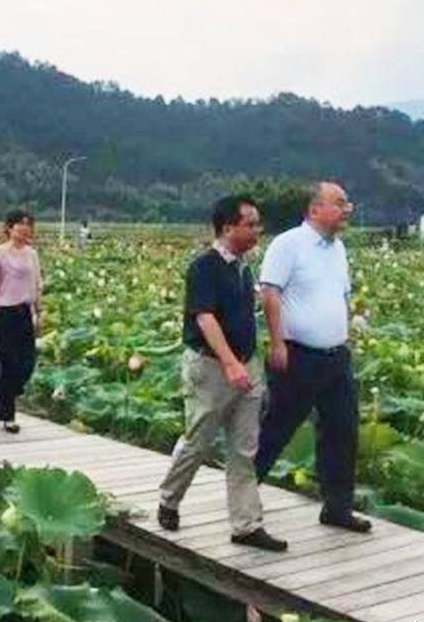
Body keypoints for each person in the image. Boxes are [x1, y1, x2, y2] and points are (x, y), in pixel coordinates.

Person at [156, 196, 286, 551]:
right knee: (199, 440)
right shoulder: (205, 267)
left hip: (248, 365)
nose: (257, 230)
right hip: (211, 367)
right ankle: (169, 497)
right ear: (228, 228)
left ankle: (246, 525)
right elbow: (205, 318)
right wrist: (230, 363)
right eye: (251, 224)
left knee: (244, 449)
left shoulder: (244, 268)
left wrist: (251, 362)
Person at [255, 181, 371, 533]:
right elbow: (270, 293)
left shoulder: (338, 249)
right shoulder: (288, 244)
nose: (346, 210)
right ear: (315, 209)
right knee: (276, 428)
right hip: (297, 355)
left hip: (336, 357)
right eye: (339, 203)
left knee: (342, 431)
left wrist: (346, 332)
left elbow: (342, 296)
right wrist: (277, 343)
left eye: (347, 203)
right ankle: (242, 498)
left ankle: (337, 508)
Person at [0, 209, 43, 434]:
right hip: (4, 312)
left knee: (26, 362)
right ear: (9, 228)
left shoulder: (31, 254)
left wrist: (39, 311)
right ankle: (8, 416)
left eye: (28, 225)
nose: (25, 229)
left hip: (24, 312)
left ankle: (3, 392)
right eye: (21, 225)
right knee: (8, 364)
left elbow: (36, 284)